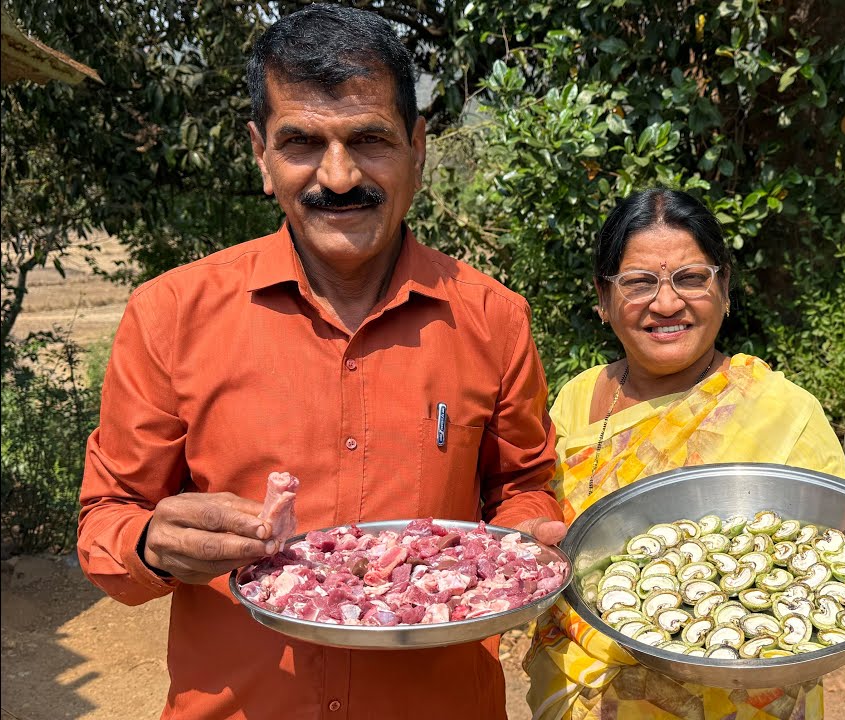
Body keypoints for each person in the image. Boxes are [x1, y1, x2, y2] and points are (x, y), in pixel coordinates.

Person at [76, 5, 564, 719]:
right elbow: (106, 523)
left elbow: (523, 485)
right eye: (301, 141)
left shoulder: (492, 318)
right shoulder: (170, 315)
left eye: (370, 139)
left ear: (418, 149)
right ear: (261, 154)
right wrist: (151, 542)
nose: (338, 177)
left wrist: (522, 540)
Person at [524, 188, 845, 720]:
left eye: (691, 278)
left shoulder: (784, 412)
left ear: (724, 289)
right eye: (638, 282)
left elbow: (829, 576)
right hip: (579, 695)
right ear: (603, 300)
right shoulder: (576, 399)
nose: (667, 303)